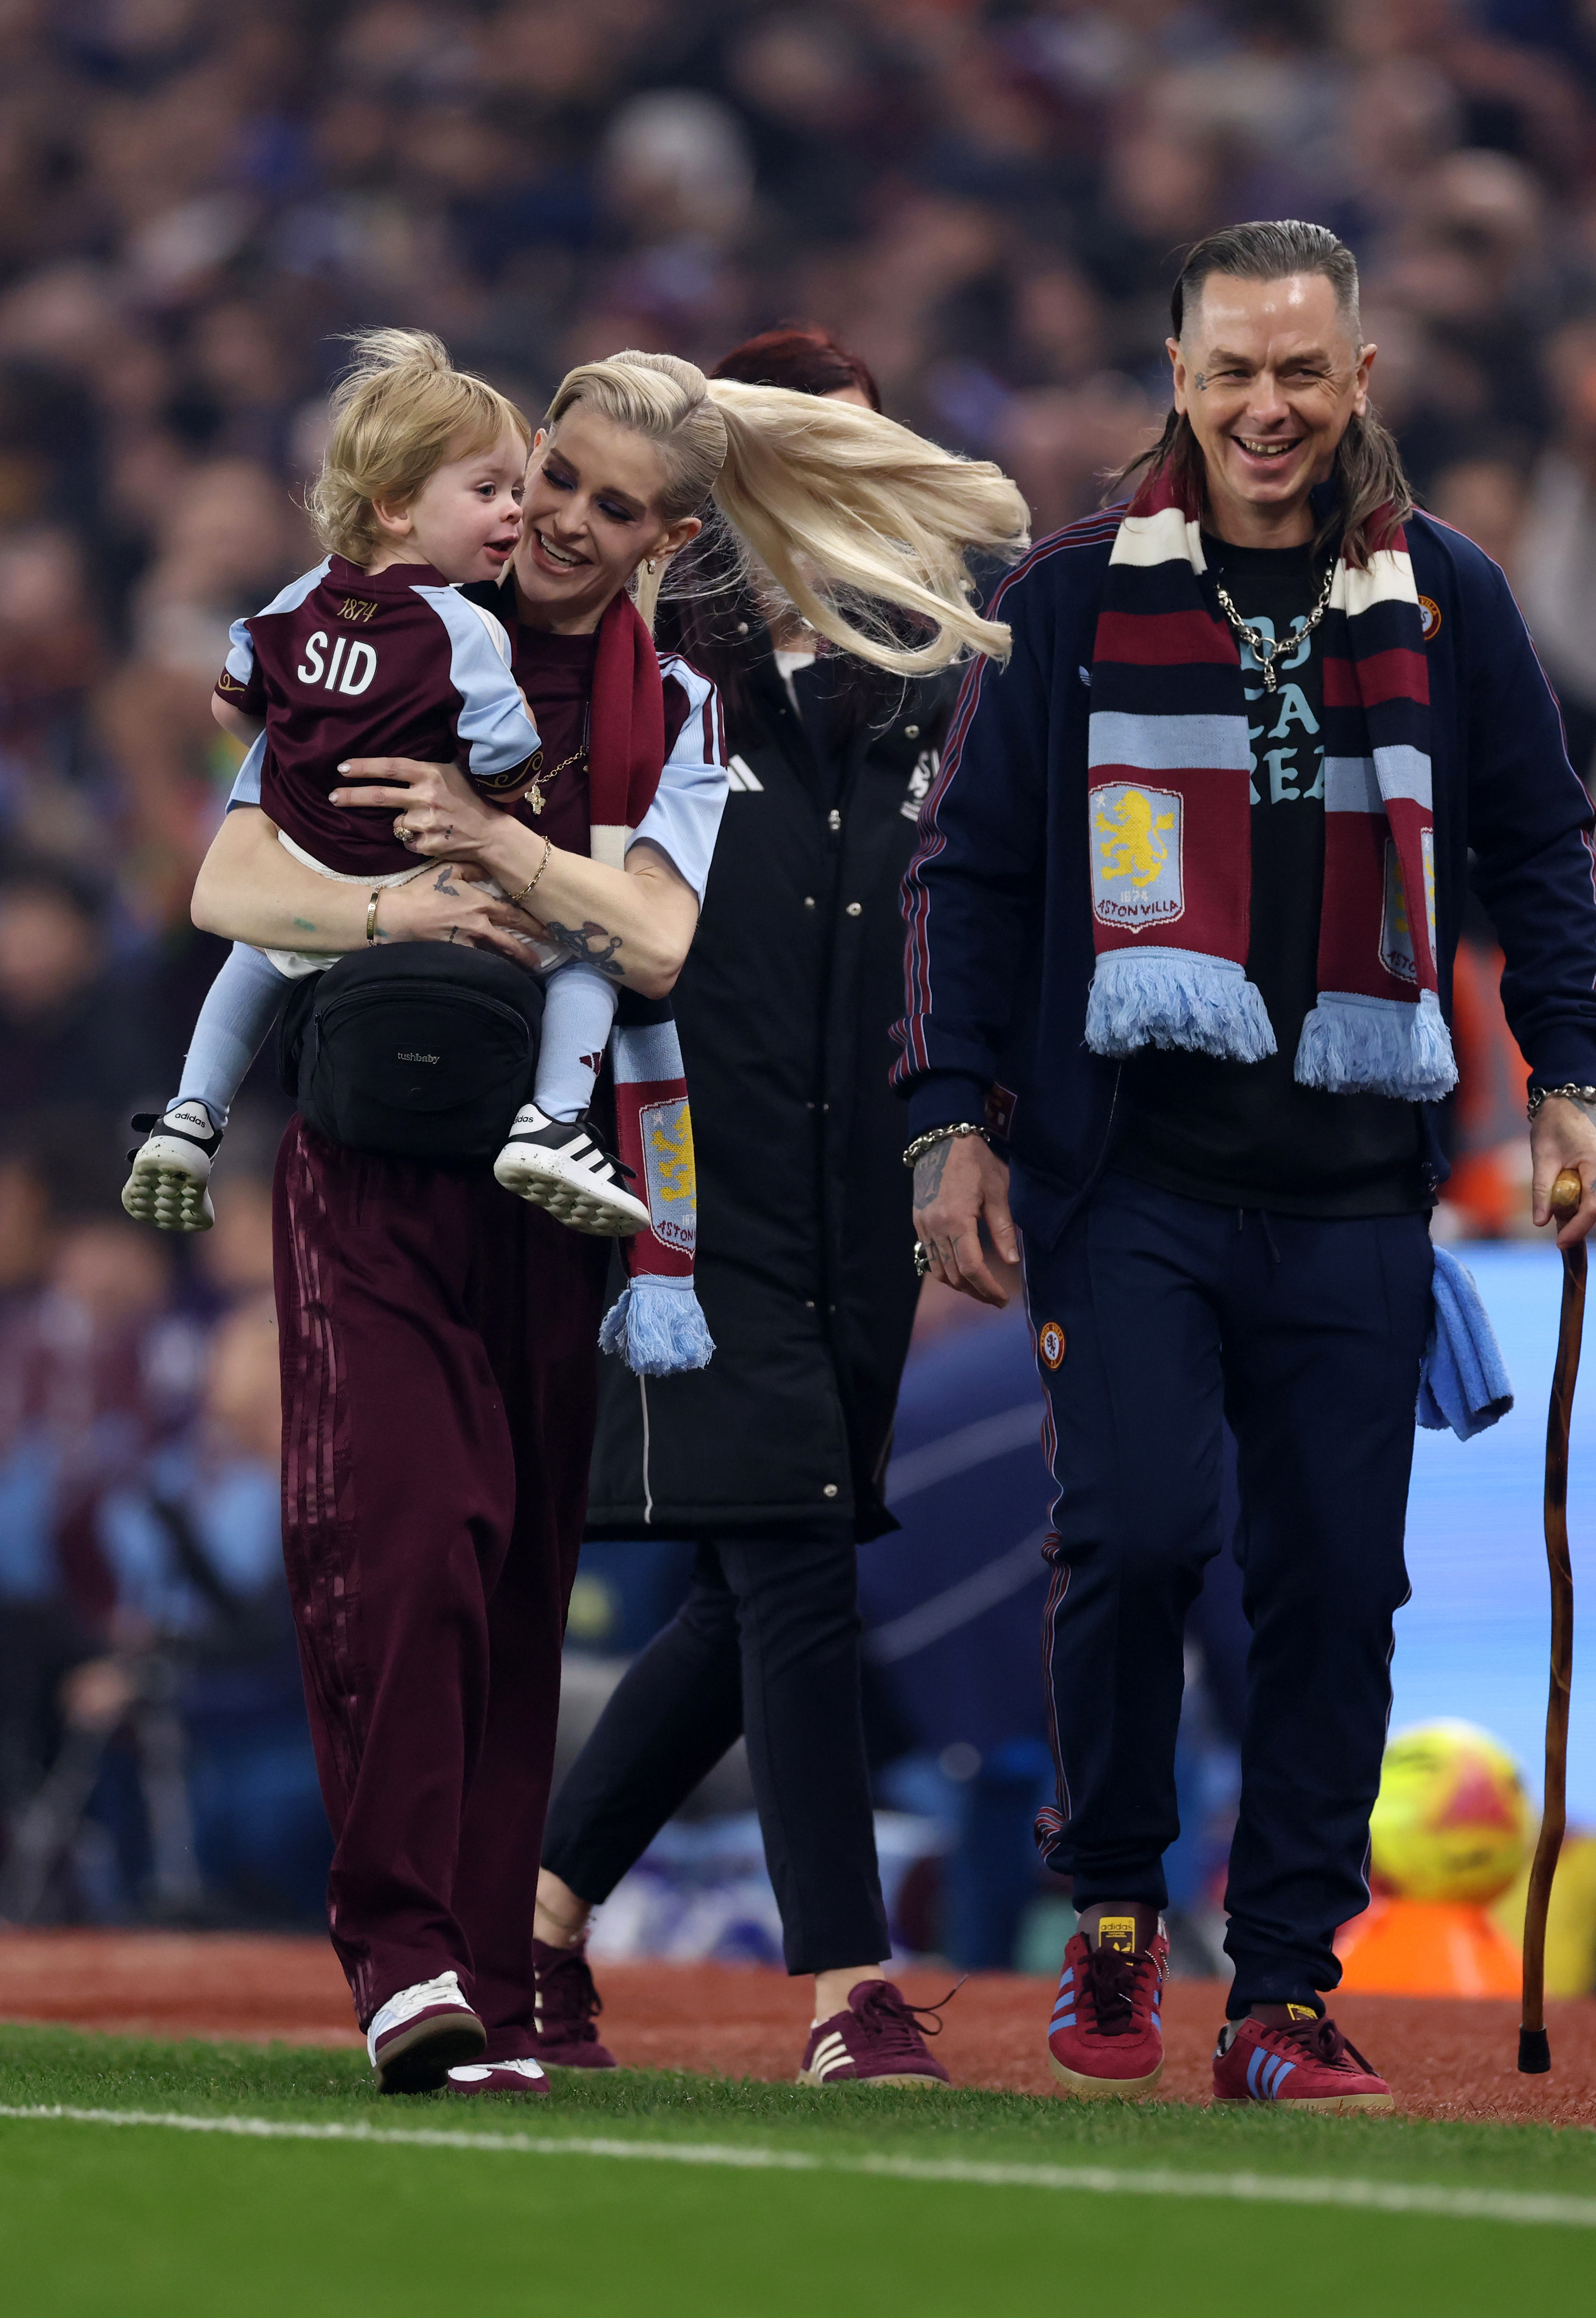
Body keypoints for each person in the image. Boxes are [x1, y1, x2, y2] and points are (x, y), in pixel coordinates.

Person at [187, 346, 1026, 2097]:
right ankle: (443, 1953)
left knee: (534, 1576)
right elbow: (227, 876)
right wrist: (384, 899)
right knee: (425, 1549)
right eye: (548, 477)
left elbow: (655, 942)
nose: (557, 518)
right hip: (411, 1156)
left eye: (607, 505)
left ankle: (509, 1951)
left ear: (666, 541)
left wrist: (485, 843)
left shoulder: (697, 702)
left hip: (590, 1193)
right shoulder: (397, 620)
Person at [896, 219, 1596, 2110]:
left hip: (1352, 1186)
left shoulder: (1447, 596)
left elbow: (1538, 847)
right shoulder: (1062, 600)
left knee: (1331, 1583)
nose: (1266, 404)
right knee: (1132, 1537)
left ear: (1359, 378)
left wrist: (1570, 1073)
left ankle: (1285, 1988)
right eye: (1231, 369)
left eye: (1301, 369)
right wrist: (941, 1117)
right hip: (1121, 1172)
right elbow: (966, 875)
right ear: (1175, 375)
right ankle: (1121, 1907)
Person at [529, 327, 1019, 2088]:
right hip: (689, 1159)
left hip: (858, 1174)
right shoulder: (663, 669)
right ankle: (846, 1988)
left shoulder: (935, 684)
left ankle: (540, 1922)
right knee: (798, 1553)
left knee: (762, 1578)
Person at [123, 330, 650, 1244]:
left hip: (305, 874)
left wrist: (298, 759)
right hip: (418, 878)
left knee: (253, 957)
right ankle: (557, 1121)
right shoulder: (461, 630)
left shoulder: (286, 604)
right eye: (488, 492)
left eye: (518, 493)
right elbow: (505, 763)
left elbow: (230, 708)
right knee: (588, 952)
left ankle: (190, 1114)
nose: (516, 516)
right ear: (397, 507)